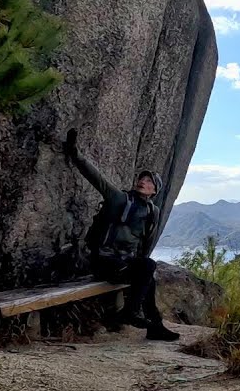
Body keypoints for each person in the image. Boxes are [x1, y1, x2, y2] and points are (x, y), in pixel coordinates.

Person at [63, 128, 180, 342]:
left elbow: (146, 243)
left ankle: (154, 326)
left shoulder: (152, 212)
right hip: (103, 262)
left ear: (154, 191)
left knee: (148, 274)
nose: (143, 182)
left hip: (124, 264)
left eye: (149, 181)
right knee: (147, 267)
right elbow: (96, 177)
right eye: (142, 178)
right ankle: (131, 312)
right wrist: (74, 152)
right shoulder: (119, 199)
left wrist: (141, 265)